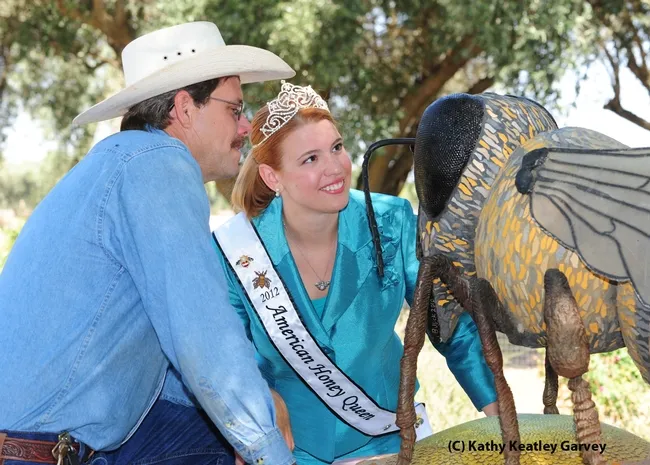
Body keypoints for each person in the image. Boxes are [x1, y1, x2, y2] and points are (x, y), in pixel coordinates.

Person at [0, 22, 297, 465]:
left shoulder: (123, 161)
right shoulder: (159, 165)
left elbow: (164, 363)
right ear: (184, 109)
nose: (247, 124)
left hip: (46, 440)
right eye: (235, 108)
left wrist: (261, 406)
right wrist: (270, 453)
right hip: (38, 453)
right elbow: (202, 337)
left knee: (241, 423)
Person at [208, 81, 499, 465]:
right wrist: (262, 396)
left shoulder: (390, 223)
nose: (335, 168)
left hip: (389, 442)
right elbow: (225, 353)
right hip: (293, 451)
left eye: (337, 148)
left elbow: (449, 324)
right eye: (310, 159)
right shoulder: (238, 252)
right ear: (272, 177)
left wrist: (499, 415)